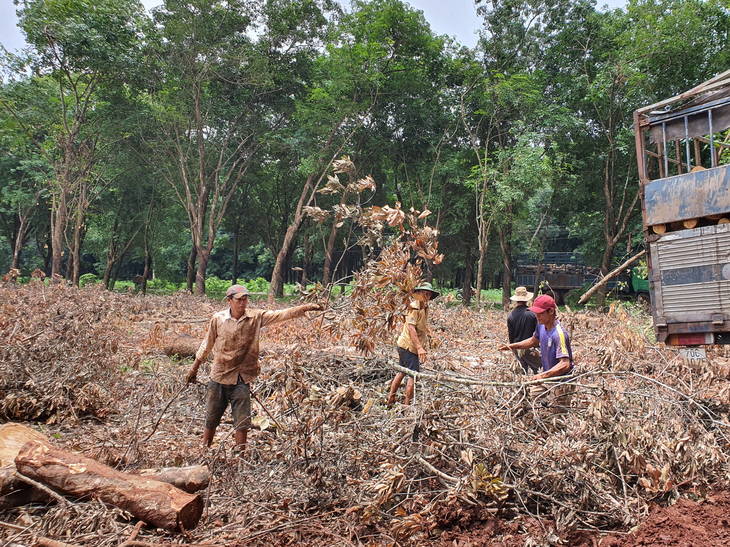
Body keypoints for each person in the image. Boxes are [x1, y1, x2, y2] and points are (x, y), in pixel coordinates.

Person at [185, 284, 322, 450]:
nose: (243, 303)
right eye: (239, 300)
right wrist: (194, 369)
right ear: (229, 300)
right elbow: (207, 344)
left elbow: (280, 315)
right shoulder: (218, 319)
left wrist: (305, 308)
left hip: (242, 377)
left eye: (245, 299)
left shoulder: (255, 317)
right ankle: (204, 450)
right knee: (212, 417)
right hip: (219, 375)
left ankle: (241, 458)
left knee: (242, 421)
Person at [499, 294, 574, 405]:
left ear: (551, 311)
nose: (537, 316)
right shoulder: (541, 325)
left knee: (556, 413)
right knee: (528, 397)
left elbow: (565, 364)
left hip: (561, 382)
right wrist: (513, 346)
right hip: (547, 378)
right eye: (536, 313)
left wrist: (541, 376)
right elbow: (533, 341)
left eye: (541, 313)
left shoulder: (559, 334)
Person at [386, 281, 440, 406]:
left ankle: (391, 399)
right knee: (413, 376)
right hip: (409, 347)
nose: (426, 297)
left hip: (406, 345)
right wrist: (420, 348)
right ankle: (407, 407)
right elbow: (411, 328)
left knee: (402, 371)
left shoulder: (424, 307)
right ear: (417, 293)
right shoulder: (414, 307)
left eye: (429, 295)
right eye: (424, 294)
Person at [507, 286, 542, 375]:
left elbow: (511, 335)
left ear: (516, 300)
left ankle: (523, 388)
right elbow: (537, 333)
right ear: (526, 299)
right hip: (531, 348)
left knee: (521, 374)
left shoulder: (511, 316)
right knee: (539, 371)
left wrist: (513, 348)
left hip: (518, 347)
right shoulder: (532, 315)